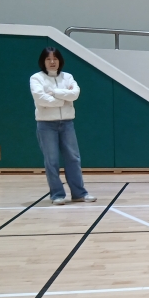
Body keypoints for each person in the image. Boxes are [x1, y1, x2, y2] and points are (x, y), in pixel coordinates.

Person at [29, 47, 96, 205]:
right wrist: (64, 97)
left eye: (55, 58)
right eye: (48, 59)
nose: (52, 62)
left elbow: (75, 94)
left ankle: (79, 193)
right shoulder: (36, 78)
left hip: (67, 123)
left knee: (73, 158)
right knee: (51, 161)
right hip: (46, 124)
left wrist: (54, 93)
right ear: (43, 61)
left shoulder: (68, 77)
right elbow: (41, 99)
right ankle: (57, 194)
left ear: (60, 61)